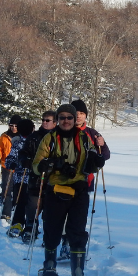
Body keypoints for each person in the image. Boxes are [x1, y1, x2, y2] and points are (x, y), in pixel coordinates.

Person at [31, 104, 105, 276]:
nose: (66, 121)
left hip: (79, 190)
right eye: (62, 117)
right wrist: (52, 165)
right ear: (57, 119)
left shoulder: (83, 138)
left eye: (69, 118)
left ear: (74, 119)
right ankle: (49, 265)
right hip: (55, 190)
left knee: (77, 231)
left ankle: (78, 273)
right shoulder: (49, 138)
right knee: (52, 228)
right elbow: (36, 165)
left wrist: (96, 162)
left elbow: (91, 162)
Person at [52, 99, 112, 260]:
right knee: (63, 216)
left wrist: (103, 144)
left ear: (86, 115)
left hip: (85, 182)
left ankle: (75, 247)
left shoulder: (92, 133)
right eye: (76, 113)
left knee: (78, 217)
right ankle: (65, 244)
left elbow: (104, 156)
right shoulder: (60, 132)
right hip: (63, 181)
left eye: (82, 113)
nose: (78, 116)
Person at [17, 110, 57, 243]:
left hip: (53, 178)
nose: (44, 123)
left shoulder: (58, 137)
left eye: (48, 120)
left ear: (55, 122)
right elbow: (23, 152)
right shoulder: (34, 136)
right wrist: (26, 160)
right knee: (33, 204)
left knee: (50, 209)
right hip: (36, 176)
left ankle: (48, 235)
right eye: (43, 120)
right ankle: (30, 228)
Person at [5, 118, 35, 237]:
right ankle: (17, 223)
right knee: (20, 201)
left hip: (33, 178)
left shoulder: (36, 141)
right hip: (20, 178)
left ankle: (31, 225)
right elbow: (10, 157)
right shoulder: (17, 143)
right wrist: (11, 163)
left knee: (31, 203)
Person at [0, 115, 21, 220]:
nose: (14, 127)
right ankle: (6, 213)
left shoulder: (23, 137)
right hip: (6, 166)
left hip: (20, 168)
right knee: (6, 189)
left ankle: (16, 208)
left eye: (16, 125)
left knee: (18, 190)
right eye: (12, 125)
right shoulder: (4, 136)